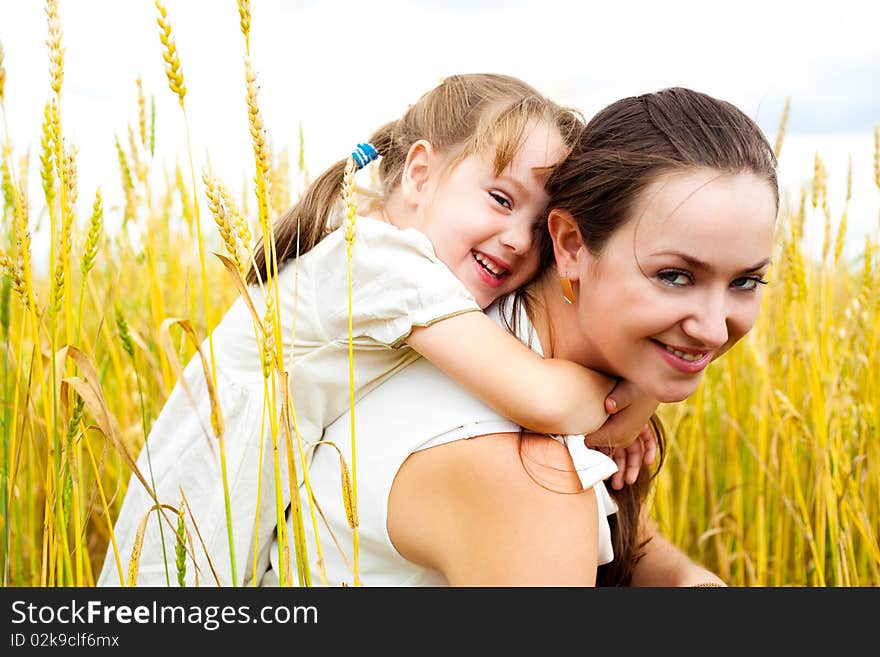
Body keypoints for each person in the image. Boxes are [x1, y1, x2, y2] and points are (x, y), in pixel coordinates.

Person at [98, 74, 654, 587]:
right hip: (195, 529)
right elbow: (541, 396)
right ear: (419, 174)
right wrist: (638, 393)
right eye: (501, 199)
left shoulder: (406, 269)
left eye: (538, 227)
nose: (517, 240)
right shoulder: (381, 264)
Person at [261, 86, 779, 587]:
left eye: (746, 281)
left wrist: (682, 576)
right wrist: (624, 404)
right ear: (570, 244)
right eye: (675, 276)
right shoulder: (530, 476)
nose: (713, 329)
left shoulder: (493, 335)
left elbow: (609, 535)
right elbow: (529, 501)